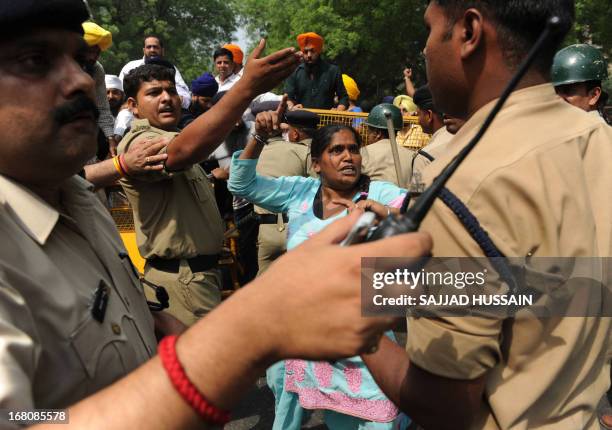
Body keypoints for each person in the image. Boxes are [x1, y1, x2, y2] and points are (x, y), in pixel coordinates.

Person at [0, 4, 436, 429]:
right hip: (252, 329)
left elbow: (472, 281)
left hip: (341, 360)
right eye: (36, 61)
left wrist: (153, 327)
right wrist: (246, 331)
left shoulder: (77, 201)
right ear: (314, 162)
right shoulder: (295, 192)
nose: (80, 80)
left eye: (81, 61)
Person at [361, 1, 612, 429]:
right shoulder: (596, 135)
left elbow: (446, 405)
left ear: (469, 32)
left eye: (429, 29)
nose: (423, 50)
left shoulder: (464, 183)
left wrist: (358, 318)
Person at [229, 101, 408, 429]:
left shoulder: (378, 192)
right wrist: (256, 136)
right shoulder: (299, 192)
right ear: (315, 164)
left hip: (360, 341)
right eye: (336, 150)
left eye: (353, 149)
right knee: (288, 412)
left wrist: (383, 212)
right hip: (303, 337)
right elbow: (241, 185)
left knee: (373, 419)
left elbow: (421, 214)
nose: (347, 157)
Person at [253, 107, 319, 274]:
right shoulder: (311, 153)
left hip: (267, 230)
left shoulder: (262, 150)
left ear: (295, 134)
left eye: (289, 131)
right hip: (300, 228)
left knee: (264, 287)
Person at [410, 84, 464, 184]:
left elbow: (416, 195)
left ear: (429, 115)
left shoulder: (423, 157)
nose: (418, 120)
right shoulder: (469, 139)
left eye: (418, 114)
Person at [118, 35, 191, 109]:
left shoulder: (170, 68)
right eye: (149, 47)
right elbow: (119, 92)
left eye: (155, 47)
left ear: (162, 50)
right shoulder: (130, 66)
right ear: (144, 50)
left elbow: (185, 98)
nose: (152, 50)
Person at [285, 32, 349, 110]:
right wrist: (291, 107)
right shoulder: (294, 72)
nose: (309, 55)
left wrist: (339, 110)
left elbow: (344, 97)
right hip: (300, 119)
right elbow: (288, 98)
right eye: (305, 52)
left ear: (319, 51)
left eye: (312, 51)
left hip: (326, 120)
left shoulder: (333, 71)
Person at [82, 22, 117, 156]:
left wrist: (110, 138)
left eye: (97, 52)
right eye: (89, 51)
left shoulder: (96, 69)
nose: (93, 57)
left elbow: (102, 107)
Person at [552, 43, 609, 123]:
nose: (559, 98)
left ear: (594, 95)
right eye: (555, 92)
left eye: (567, 90)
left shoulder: (601, 133)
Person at [361, 103, 415, 187]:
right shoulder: (413, 156)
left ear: (378, 133)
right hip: (404, 199)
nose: (368, 136)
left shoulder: (363, 153)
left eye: (369, 132)